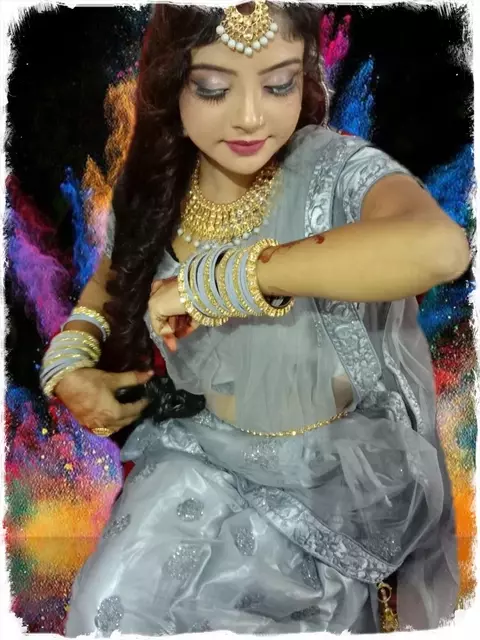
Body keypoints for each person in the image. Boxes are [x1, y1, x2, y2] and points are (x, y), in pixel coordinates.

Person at [40, 2, 469, 636]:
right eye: (214, 89)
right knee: (107, 612)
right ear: (171, 83)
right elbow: (110, 281)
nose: (249, 116)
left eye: (279, 84)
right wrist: (67, 364)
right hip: (202, 459)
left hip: (330, 481)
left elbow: (440, 249)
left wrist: (221, 282)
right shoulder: (161, 184)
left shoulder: (332, 169)